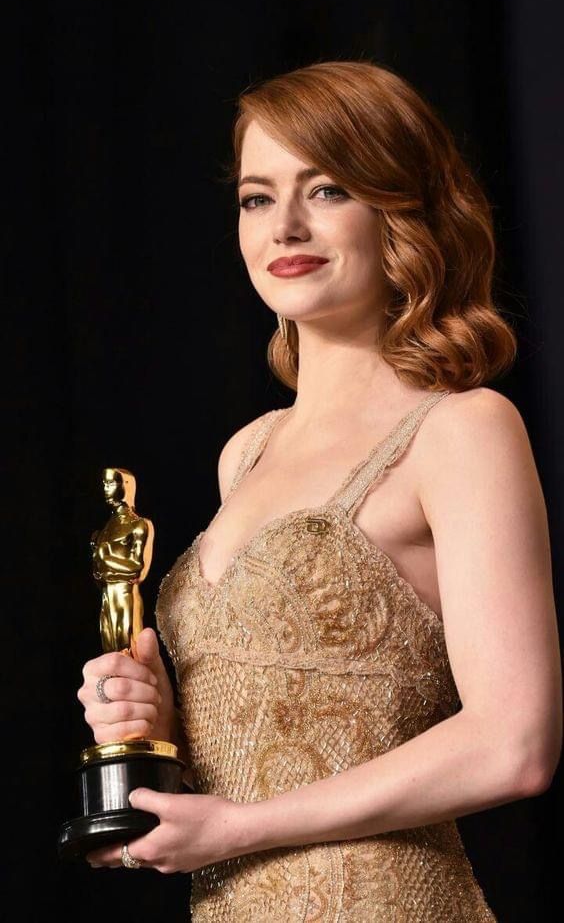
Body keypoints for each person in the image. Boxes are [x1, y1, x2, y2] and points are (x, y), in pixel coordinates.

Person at [77, 60, 562, 920]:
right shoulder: (248, 451)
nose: (286, 226)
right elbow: (274, 743)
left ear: (402, 211)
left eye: (328, 189)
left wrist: (238, 829)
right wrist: (151, 728)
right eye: (257, 198)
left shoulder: (463, 428)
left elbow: (513, 745)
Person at [90, 467, 153, 656]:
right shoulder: (107, 527)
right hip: (108, 594)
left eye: (110, 483)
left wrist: (104, 555)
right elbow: (97, 572)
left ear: (126, 485)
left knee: (127, 650)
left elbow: (137, 568)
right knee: (110, 653)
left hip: (125, 594)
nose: (106, 489)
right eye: (104, 484)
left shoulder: (138, 524)